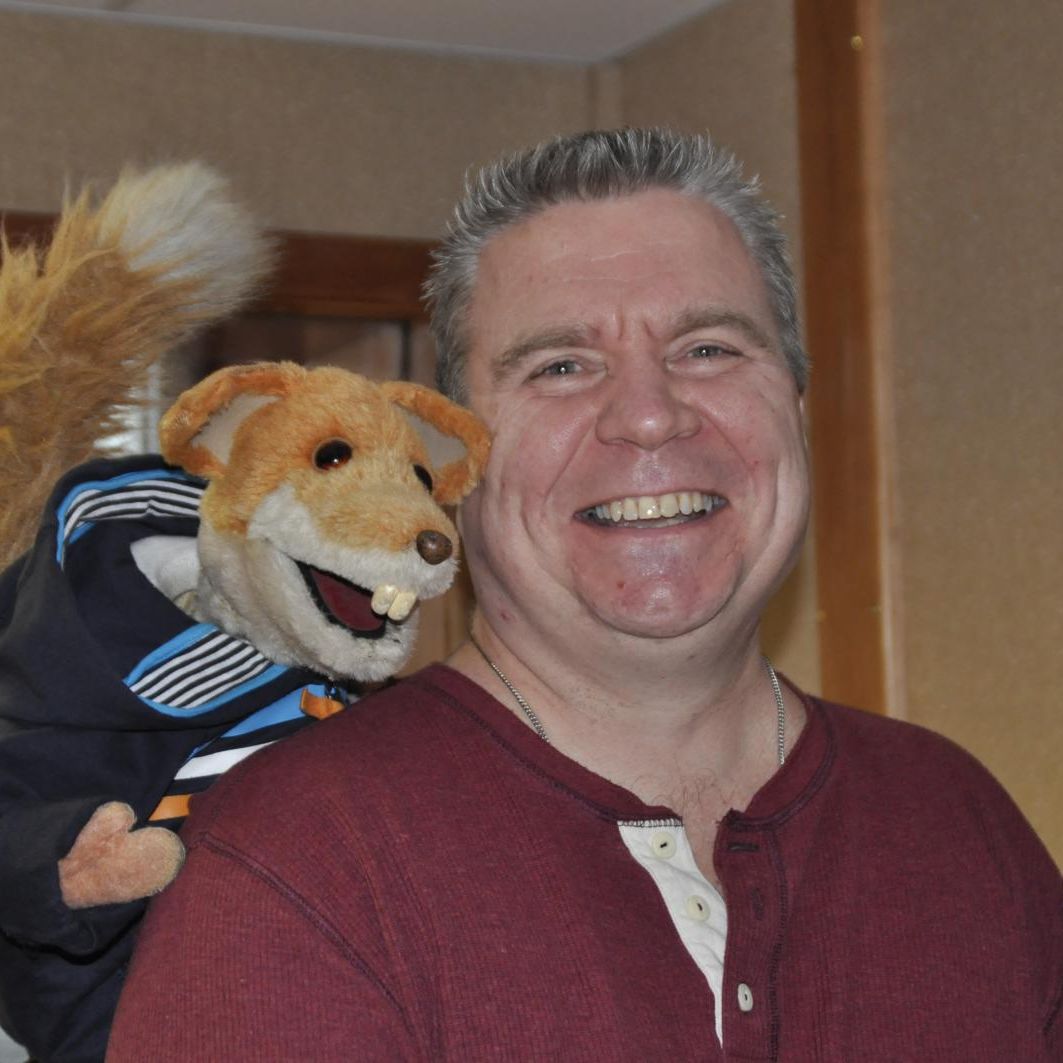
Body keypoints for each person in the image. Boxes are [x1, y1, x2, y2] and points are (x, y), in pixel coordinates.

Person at [107, 128, 1063, 1060]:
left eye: (708, 349)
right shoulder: (297, 858)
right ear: (445, 458)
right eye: (561, 366)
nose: (648, 414)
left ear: (796, 414)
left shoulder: (959, 818)